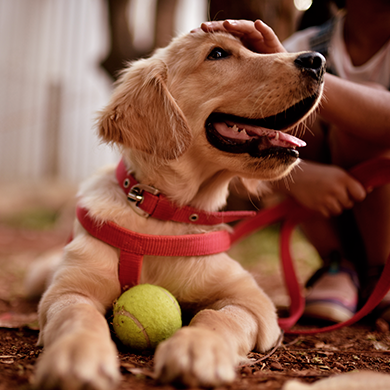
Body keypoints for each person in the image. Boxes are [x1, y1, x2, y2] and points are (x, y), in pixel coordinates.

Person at [200, 0, 390, 324]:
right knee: (289, 113)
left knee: (355, 120)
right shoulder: (306, 44)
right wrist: (299, 176)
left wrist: (304, 75)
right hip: (330, 212)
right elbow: (248, 131)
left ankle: (381, 271)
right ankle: (337, 264)